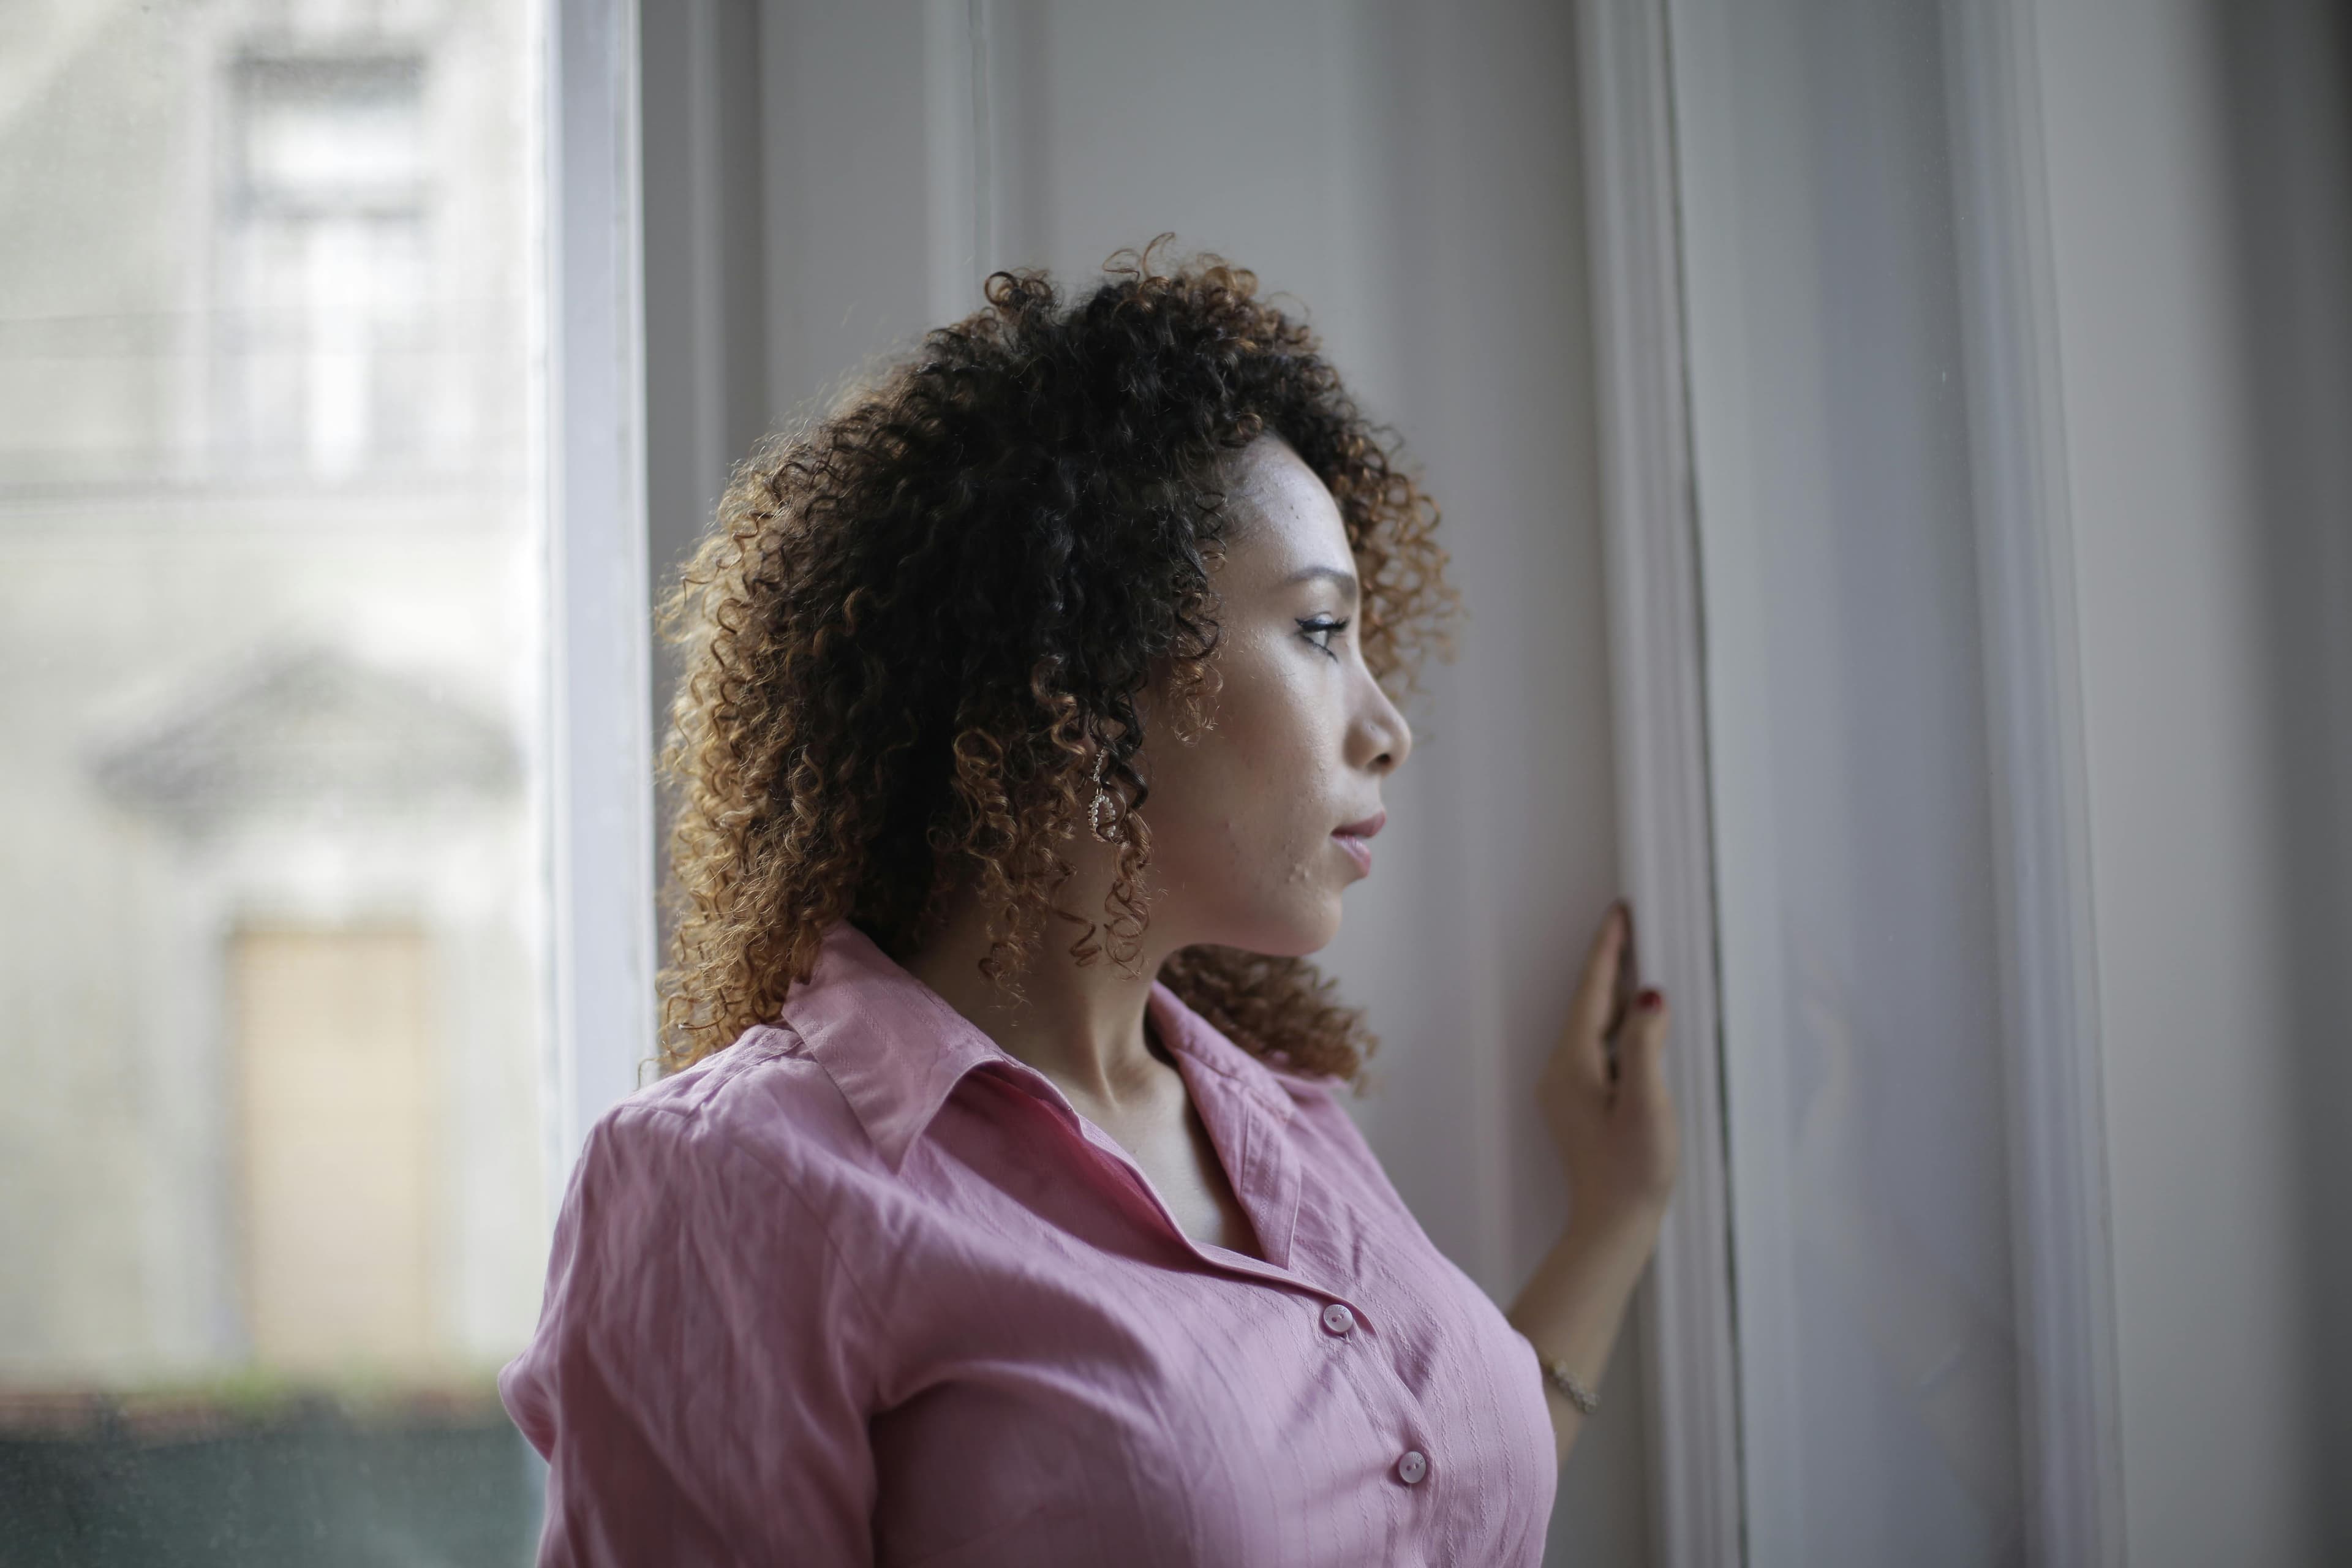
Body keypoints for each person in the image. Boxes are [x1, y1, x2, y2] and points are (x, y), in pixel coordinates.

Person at [499, 243, 1679, 1566]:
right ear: (1084, 668)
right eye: (1317, 630)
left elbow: (1406, 1506)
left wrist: (1618, 1216)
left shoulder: (1284, 1119)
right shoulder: (727, 1183)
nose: (1388, 724)